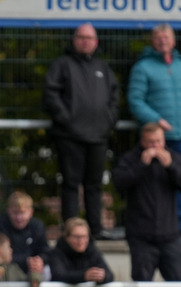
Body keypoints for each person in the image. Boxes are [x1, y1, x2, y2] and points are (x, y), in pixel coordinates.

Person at [127, 23, 181, 241]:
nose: (162, 41)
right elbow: (135, 100)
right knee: (154, 185)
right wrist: (156, 120)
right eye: (158, 38)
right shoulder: (142, 67)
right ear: (153, 41)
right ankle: (158, 227)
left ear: (174, 41)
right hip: (156, 140)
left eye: (166, 37)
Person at [43, 23, 120, 238]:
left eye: (90, 38)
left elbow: (114, 98)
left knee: (94, 185)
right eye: (81, 37)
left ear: (96, 42)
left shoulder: (103, 68)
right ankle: (71, 230)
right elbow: (51, 94)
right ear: (74, 40)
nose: (85, 41)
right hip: (69, 136)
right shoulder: (62, 64)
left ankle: (95, 230)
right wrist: (66, 119)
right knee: (70, 184)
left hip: (98, 136)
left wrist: (108, 121)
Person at [112, 122, 181, 282]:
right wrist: (142, 165)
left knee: (177, 281)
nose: (155, 146)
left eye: (159, 141)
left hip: (170, 235)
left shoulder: (173, 157)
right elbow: (120, 183)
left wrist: (170, 166)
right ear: (142, 141)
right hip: (141, 236)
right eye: (151, 142)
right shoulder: (130, 159)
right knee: (142, 284)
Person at [0, 191, 50, 278]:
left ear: (31, 212)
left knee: (46, 269)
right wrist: (26, 261)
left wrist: (40, 260)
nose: (19, 218)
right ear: (8, 211)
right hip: (7, 268)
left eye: (22, 213)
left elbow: (45, 251)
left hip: (32, 269)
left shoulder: (38, 226)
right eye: (15, 213)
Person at [49, 217, 114, 285]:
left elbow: (110, 275)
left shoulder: (92, 251)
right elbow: (59, 275)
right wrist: (84, 276)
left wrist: (102, 276)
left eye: (85, 237)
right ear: (67, 237)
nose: (81, 241)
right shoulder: (57, 253)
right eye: (77, 237)